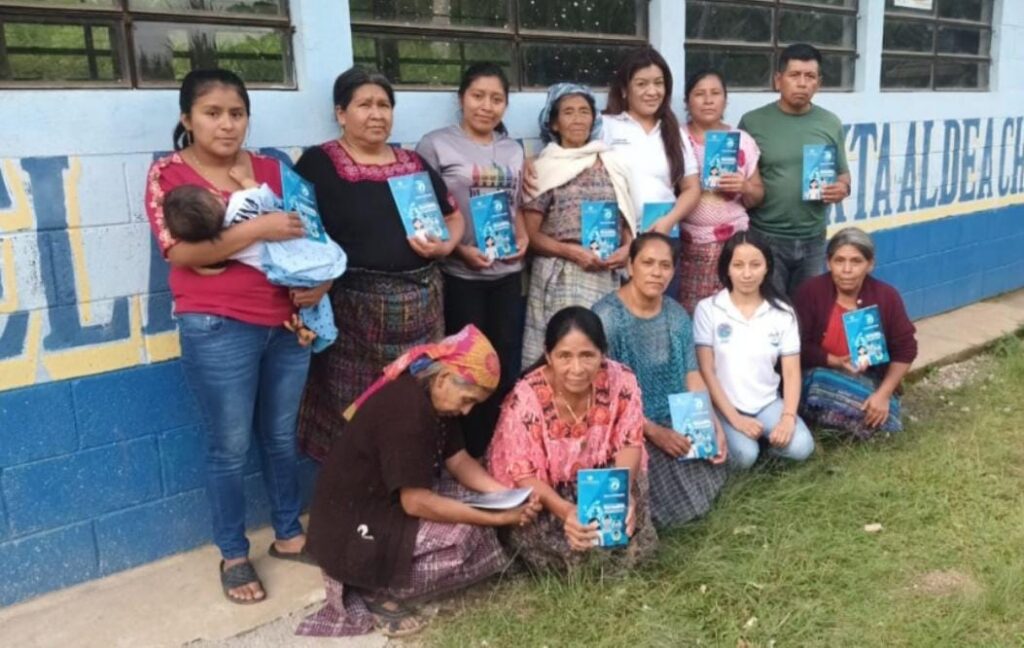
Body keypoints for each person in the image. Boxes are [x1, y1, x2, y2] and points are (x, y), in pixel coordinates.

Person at [144, 69, 326, 604]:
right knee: (229, 446)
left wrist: (319, 284)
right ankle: (233, 553)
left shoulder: (274, 166)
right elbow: (181, 253)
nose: (227, 125)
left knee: (280, 437)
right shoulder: (169, 174)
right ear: (187, 119)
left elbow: (314, 231)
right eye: (212, 113)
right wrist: (254, 230)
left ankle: (290, 535)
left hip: (289, 324)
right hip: (217, 324)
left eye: (237, 113)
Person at [297, 325, 542, 638]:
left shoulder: (432, 397)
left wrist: (510, 495)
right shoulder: (408, 412)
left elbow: (460, 460)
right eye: (467, 399)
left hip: (387, 503)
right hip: (359, 525)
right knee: (466, 535)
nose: (467, 410)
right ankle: (373, 584)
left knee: (474, 509)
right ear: (442, 379)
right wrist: (497, 517)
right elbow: (414, 502)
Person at [293, 67, 465, 461]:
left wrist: (445, 247)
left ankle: (413, 487)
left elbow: (453, 216)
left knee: (418, 400)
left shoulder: (413, 163)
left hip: (423, 310)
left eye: (384, 105)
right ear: (341, 113)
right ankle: (357, 499)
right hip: (355, 317)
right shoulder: (318, 165)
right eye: (364, 105)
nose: (377, 114)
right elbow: (297, 233)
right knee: (355, 408)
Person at [488, 307, 657, 572]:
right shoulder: (526, 397)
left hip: (605, 479)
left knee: (625, 526)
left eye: (587, 355)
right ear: (548, 355)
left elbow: (629, 443)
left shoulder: (622, 380)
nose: (576, 368)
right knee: (562, 545)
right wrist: (567, 511)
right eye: (564, 356)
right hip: (547, 494)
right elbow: (524, 474)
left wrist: (619, 495)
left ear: (602, 353)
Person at [416, 62, 528, 458]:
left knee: (503, 364)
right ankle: (465, 453)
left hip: (508, 275)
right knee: (464, 369)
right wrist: (461, 248)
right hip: (460, 275)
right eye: (478, 96)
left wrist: (524, 238)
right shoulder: (435, 144)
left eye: (496, 98)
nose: (487, 106)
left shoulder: (513, 148)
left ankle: (497, 451)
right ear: (461, 98)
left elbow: (518, 208)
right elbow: (427, 213)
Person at [592, 233, 728, 528]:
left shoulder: (676, 314)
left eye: (665, 265)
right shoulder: (606, 318)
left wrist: (711, 422)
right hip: (623, 422)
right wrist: (652, 431)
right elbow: (601, 395)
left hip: (672, 414)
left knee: (705, 461)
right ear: (630, 266)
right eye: (648, 263)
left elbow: (691, 374)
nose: (656, 272)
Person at [161, 164, 347, 351]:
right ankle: (311, 328)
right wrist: (243, 179)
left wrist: (199, 267)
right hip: (305, 247)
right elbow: (261, 192)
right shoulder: (243, 200)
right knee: (312, 291)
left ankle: (314, 329)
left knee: (305, 295)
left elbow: (210, 264)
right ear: (215, 195)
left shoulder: (225, 240)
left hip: (284, 270)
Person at [520, 83, 637, 367]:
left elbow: (626, 216)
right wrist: (572, 253)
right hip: (560, 274)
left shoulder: (610, 161)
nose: (577, 119)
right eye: (568, 112)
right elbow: (531, 236)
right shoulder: (544, 166)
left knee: (599, 350)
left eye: (584, 111)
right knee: (562, 351)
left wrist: (627, 248)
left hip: (605, 273)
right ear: (554, 123)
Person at [738, 43, 852, 297]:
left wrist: (842, 188)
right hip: (765, 237)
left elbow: (843, 175)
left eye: (810, 76)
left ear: (819, 83)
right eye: (794, 75)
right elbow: (740, 180)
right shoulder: (753, 122)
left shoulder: (830, 123)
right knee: (769, 313)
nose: (802, 83)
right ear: (778, 80)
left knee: (806, 313)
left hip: (813, 239)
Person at [694, 231, 815, 469]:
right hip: (723, 405)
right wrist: (735, 419)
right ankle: (753, 448)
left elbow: (791, 372)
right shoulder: (708, 309)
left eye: (755, 264)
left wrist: (788, 418)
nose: (747, 273)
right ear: (726, 269)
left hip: (767, 403)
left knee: (802, 446)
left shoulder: (782, 312)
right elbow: (706, 370)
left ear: (767, 268)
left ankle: (768, 445)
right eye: (738, 265)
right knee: (745, 456)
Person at [794, 227, 918, 439]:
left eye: (856, 261)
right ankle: (857, 425)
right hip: (819, 374)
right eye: (839, 261)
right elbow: (795, 347)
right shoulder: (811, 291)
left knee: (880, 404)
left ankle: (852, 420)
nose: (847, 269)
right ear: (828, 263)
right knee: (820, 383)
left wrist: (883, 393)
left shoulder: (886, 296)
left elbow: (906, 349)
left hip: (868, 376)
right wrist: (833, 361)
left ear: (870, 264)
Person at [601, 48, 701, 267]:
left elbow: (691, 188)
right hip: (614, 240)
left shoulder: (675, 131)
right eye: (641, 84)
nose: (652, 91)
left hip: (663, 239)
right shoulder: (606, 126)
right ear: (624, 90)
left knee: (662, 301)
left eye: (658, 83)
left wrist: (668, 221)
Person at [679, 69, 764, 314]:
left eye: (715, 93)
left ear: (725, 100)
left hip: (734, 244)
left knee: (735, 312)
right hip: (689, 245)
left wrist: (745, 187)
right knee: (694, 314)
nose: (708, 100)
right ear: (687, 101)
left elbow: (758, 195)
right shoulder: (676, 138)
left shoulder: (741, 140)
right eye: (699, 94)